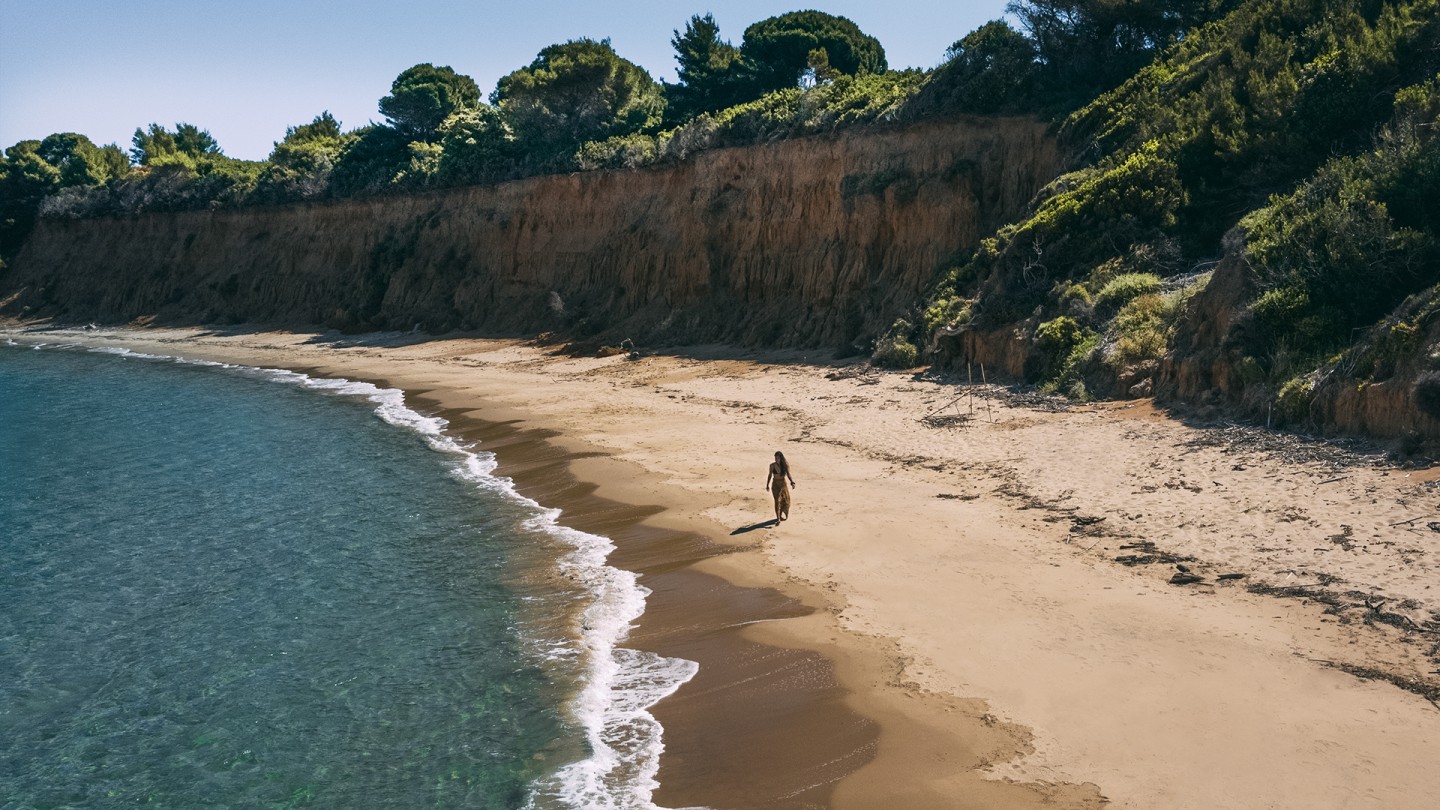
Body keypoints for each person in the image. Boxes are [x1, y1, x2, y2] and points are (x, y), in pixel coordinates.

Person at [765, 451, 797, 523]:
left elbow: (788, 474)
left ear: (781, 458)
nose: (776, 459)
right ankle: (778, 518)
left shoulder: (785, 465)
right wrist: (767, 484)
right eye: (775, 458)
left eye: (777, 458)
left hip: (783, 484)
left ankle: (783, 514)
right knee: (777, 501)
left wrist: (792, 482)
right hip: (775, 484)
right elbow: (770, 475)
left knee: (785, 500)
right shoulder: (772, 465)